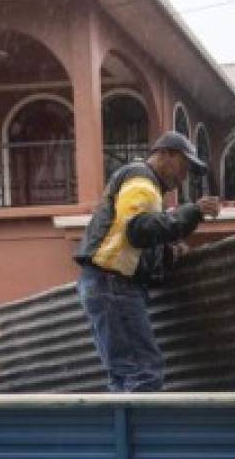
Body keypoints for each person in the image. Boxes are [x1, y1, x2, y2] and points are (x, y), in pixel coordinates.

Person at [74, 131, 221, 391]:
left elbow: (127, 239)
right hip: (114, 285)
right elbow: (138, 229)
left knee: (124, 374)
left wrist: (167, 252)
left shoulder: (143, 185)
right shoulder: (142, 180)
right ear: (164, 155)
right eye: (183, 165)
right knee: (143, 373)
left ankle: (122, 431)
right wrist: (193, 212)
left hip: (106, 284)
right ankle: (138, 432)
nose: (184, 176)